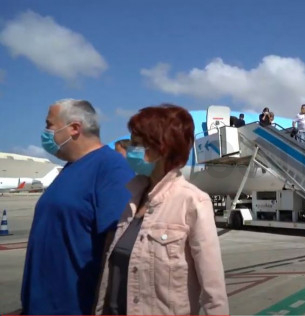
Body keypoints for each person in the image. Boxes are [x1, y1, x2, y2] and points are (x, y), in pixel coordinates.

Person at [93, 104, 229, 315]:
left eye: (136, 144)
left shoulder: (192, 202)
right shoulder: (132, 198)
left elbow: (214, 289)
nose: (130, 151)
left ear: (161, 149)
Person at [21, 99, 134, 315]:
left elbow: (118, 248)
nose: (46, 132)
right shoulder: (70, 168)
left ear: (74, 128)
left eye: (49, 125)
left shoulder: (111, 168)